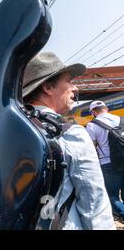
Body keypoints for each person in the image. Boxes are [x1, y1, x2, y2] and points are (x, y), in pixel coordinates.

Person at [23, 52, 115, 230]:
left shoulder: (10, 130)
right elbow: (94, 204)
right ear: (48, 87)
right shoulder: (71, 134)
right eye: (69, 81)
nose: (75, 88)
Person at [86, 100, 124, 222]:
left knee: (112, 195)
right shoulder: (122, 119)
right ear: (106, 108)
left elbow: (90, 146)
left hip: (108, 163)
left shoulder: (92, 125)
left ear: (93, 112)